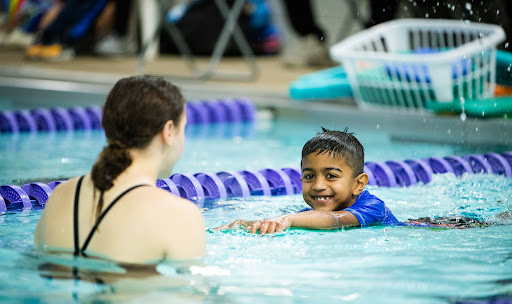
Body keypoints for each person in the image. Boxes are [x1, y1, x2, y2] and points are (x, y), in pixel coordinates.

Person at [34, 75, 206, 264]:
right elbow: (191, 292)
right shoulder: (179, 215)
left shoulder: (60, 195)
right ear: (169, 131)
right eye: (184, 128)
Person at [220, 128, 399, 234]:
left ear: (358, 184)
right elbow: (280, 222)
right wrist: (244, 224)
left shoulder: (374, 207)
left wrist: (288, 219)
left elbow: (335, 220)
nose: (318, 186)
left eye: (331, 176)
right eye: (309, 176)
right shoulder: (308, 214)